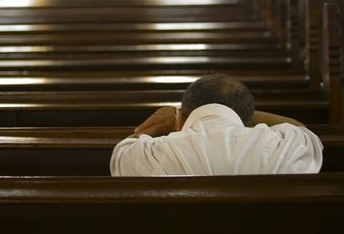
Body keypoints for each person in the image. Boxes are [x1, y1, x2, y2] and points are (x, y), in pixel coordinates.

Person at [110, 73, 323, 176]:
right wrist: (241, 114)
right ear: (247, 120)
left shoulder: (152, 154)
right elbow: (305, 132)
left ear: (182, 117)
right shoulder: (284, 146)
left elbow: (120, 155)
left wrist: (166, 122)